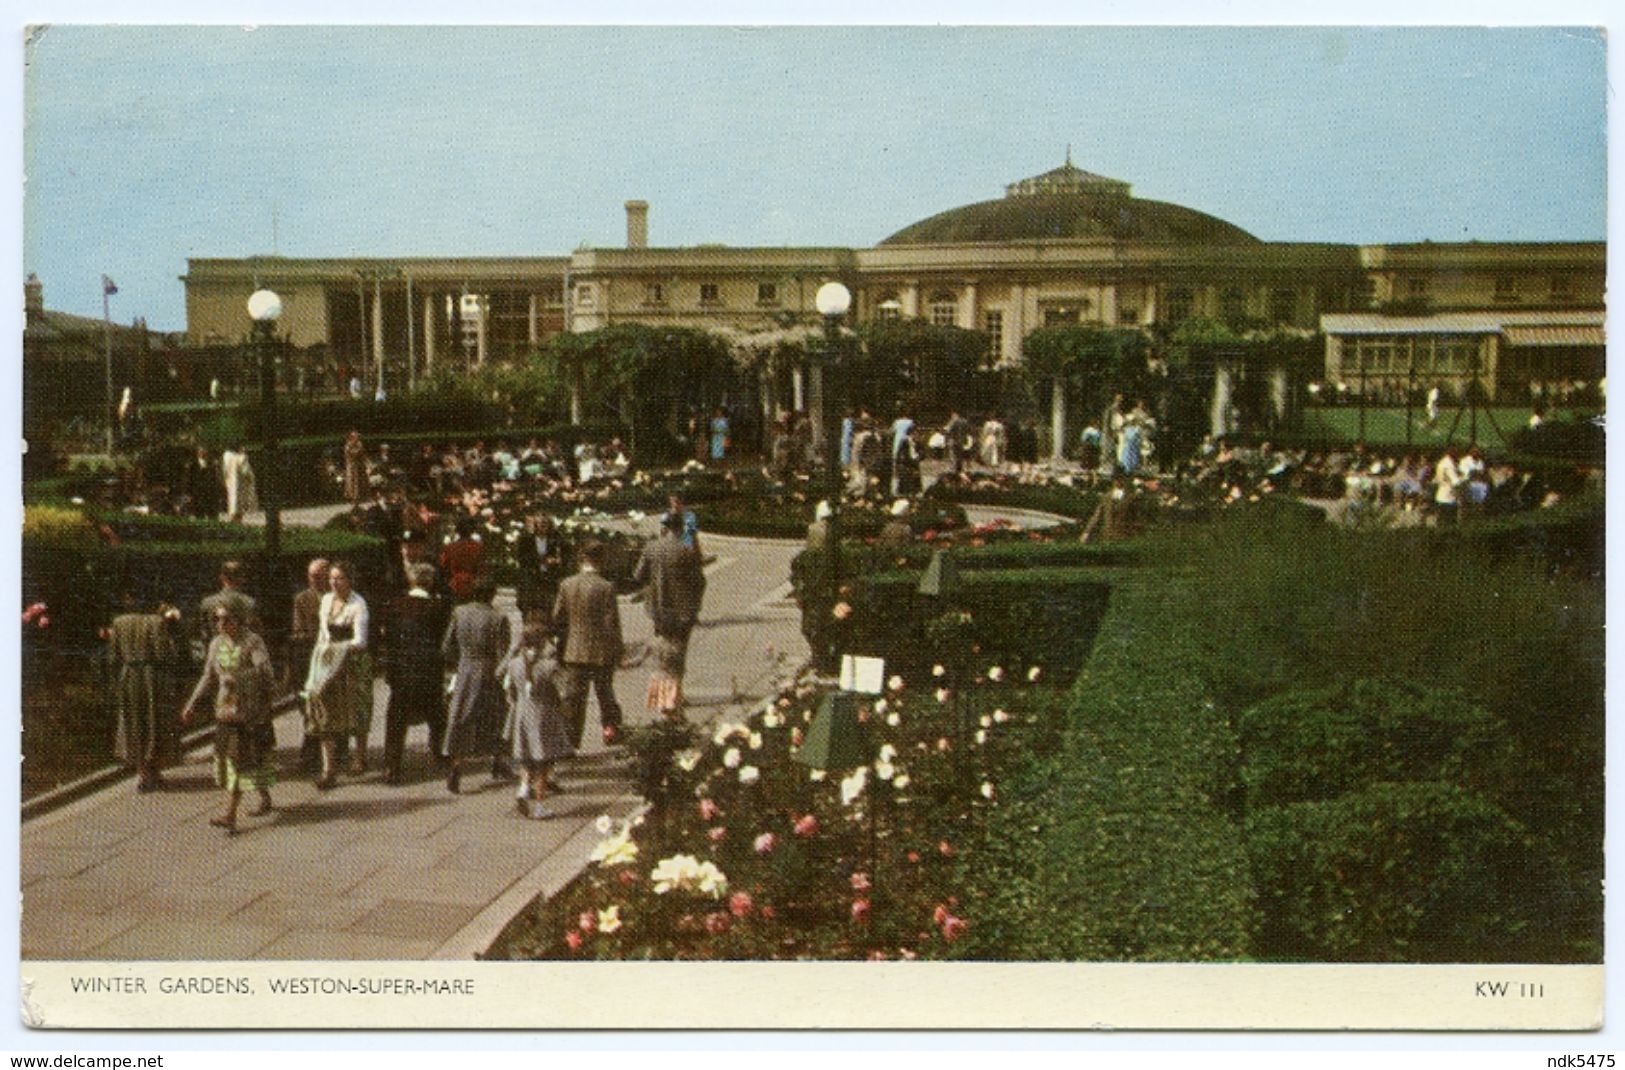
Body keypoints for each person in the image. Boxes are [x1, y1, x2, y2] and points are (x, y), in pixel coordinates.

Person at [182, 602, 276, 834]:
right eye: (218, 619)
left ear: (239, 620)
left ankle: (229, 814)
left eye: (227, 619)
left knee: (239, 759)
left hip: (249, 711)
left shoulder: (252, 642)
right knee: (242, 759)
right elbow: (208, 675)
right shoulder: (215, 644)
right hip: (226, 710)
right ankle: (264, 797)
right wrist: (191, 704)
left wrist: (239, 678)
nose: (221, 624)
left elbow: (265, 672)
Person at [631, 511, 708, 719]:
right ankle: (675, 699)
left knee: (664, 654)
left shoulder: (651, 548)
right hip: (683, 612)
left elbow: (638, 575)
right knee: (678, 653)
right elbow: (699, 581)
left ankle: (669, 701)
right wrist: (694, 603)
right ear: (681, 528)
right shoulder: (687, 549)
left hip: (658, 610)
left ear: (664, 526)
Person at [303, 561, 372, 789]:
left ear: (350, 580)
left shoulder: (358, 604)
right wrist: (320, 660)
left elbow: (360, 641)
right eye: (332, 578)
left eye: (339, 578)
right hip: (329, 661)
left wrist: (337, 648)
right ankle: (328, 768)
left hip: (352, 663)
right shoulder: (325, 601)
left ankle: (360, 757)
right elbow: (323, 633)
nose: (334, 582)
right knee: (325, 713)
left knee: (357, 711)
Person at [381, 563, 451, 785]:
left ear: (411, 580)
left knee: (396, 719)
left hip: (402, 668)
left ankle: (392, 766)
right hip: (429, 668)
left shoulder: (395, 605)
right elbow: (444, 640)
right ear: (430, 582)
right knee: (436, 713)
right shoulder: (438, 607)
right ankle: (440, 753)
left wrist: (389, 669)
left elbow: (389, 640)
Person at [440, 577, 511, 794]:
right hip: (489, 671)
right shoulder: (498, 618)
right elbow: (503, 653)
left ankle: (456, 765)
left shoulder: (459, 612)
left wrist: (458, 664)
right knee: (497, 715)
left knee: (461, 717)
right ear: (492, 595)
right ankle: (499, 760)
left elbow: (446, 646)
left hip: (465, 668)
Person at [106, 594, 181, 793]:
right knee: (154, 723)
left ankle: (142, 774)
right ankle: (155, 771)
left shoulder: (119, 623)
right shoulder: (157, 622)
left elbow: (113, 656)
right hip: (152, 678)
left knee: (133, 722)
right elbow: (163, 653)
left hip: (129, 675)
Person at [553, 541, 625, 748]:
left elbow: (558, 617)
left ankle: (571, 738)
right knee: (605, 693)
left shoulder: (567, 584)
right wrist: (618, 649)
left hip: (574, 650)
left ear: (581, 558)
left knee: (573, 698)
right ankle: (610, 730)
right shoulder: (606, 587)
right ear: (601, 559)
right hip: (601, 650)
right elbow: (612, 623)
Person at [502, 621, 574, 818]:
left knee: (526, 758)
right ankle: (540, 806)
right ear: (543, 642)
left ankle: (524, 787)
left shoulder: (514, 664)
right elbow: (566, 691)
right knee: (544, 762)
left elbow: (508, 691)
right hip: (544, 715)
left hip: (522, 715)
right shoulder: (549, 666)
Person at [289, 557, 330, 773]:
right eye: (311, 576)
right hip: (310, 657)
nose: (313, 580)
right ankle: (310, 753)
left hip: (331, 657)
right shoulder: (302, 599)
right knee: (310, 709)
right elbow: (299, 630)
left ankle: (331, 751)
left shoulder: (335, 597)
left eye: (318, 576)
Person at [514, 512, 570, 621]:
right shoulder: (525, 539)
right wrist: (541, 560)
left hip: (549, 580)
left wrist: (556, 562)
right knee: (530, 614)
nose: (543, 527)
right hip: (531, 580)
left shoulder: (556, 539)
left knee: (549, 613)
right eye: (540, 524)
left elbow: (565, 556)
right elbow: (522, 559)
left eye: (545, 524)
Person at [439, 518, 486, 602]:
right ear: (472, 530)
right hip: (471, 584)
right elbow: (482, 568)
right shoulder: (478, 547)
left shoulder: (449, 547)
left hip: (454, 584)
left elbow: (444, 567)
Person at [220, 442, 257, 523]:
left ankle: (233, 519)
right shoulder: (242, 457)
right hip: (240, 484)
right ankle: (237, 520)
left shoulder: (226, 456)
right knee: (238, 504)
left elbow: (224, 470)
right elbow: (246, 471)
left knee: (232, 502)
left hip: (230, 482)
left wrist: (224, 480)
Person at [183, 445, 222, 520]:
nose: (203, 452)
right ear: (198, 452)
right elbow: (189, 478)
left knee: (210, 512)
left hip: (208, 492)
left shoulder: (211, 464)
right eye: (201, 450)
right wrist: (188, 492)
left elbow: (214, 479)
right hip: (197, 491)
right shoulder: (193, 464)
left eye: (204, 450)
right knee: (198, 512)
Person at [892, 425, 923, 497]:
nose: (917, 435)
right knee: (905, 483)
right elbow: (900, 455)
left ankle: (913, 495)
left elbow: (923, 453)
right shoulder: (904, 442)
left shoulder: (918, 442)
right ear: (911, 433)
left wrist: (919, 457)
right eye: (915, 433)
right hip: (906, 465)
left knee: (915, 483)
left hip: (915, 464)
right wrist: (898, 466)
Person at [343, 430, 367, 506]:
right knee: (351, 482)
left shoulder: (359, 444)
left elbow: (362, 453)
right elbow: (352, 454)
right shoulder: (348, 445)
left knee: (359, 482)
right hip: (351, 467)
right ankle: (352, 497)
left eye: (357, 436)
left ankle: (359, 497)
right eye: (355, 436)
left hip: (359, 466)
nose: (357, 438)